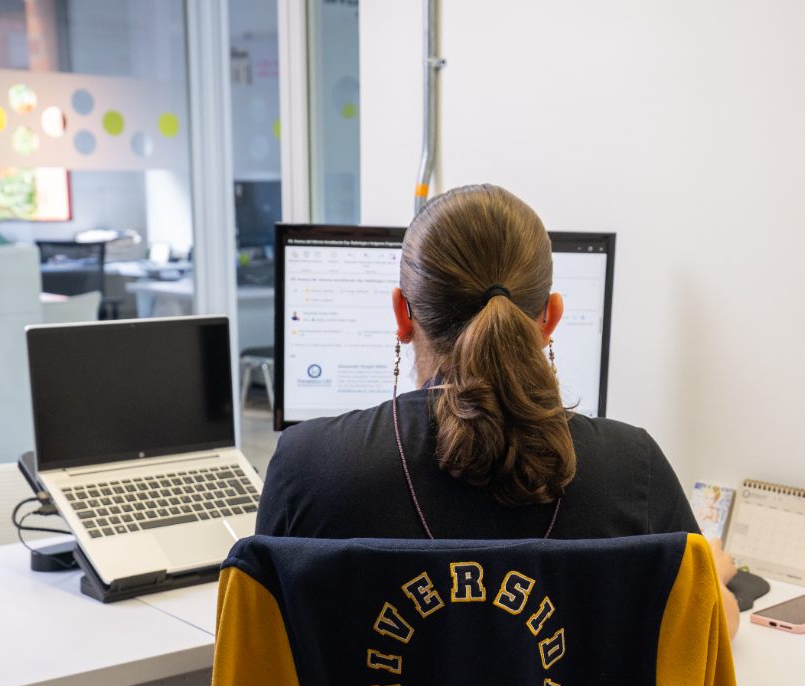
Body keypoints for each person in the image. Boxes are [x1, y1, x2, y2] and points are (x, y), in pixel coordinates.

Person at [256, 183, 740, 635]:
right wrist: (709, 574)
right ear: (549, 317)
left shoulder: (307, 467)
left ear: (402, 314)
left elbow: (259, 650)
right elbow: (709, 630)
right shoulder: (633, 468)